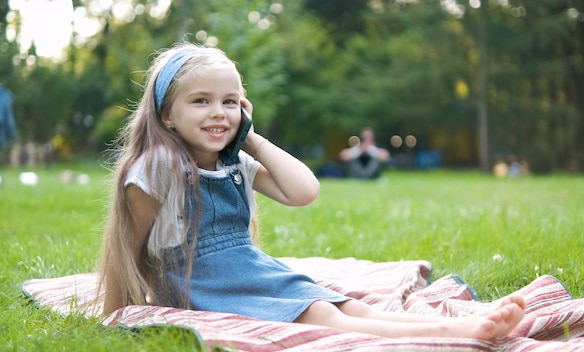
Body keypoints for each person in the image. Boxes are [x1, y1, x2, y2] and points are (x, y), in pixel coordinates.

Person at [98, 43, 526, 340]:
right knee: (321, 314)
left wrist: (250, 139)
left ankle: (469, 318)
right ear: (167, 116)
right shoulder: (158, 169)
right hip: (200, 285)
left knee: (343, 304)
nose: (219, 113)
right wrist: (115, 315)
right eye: (201, 101)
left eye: (231, 102)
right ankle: (450, 333)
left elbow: (304, 191)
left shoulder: (236, 164)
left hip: (246, 271)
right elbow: (126, 247)